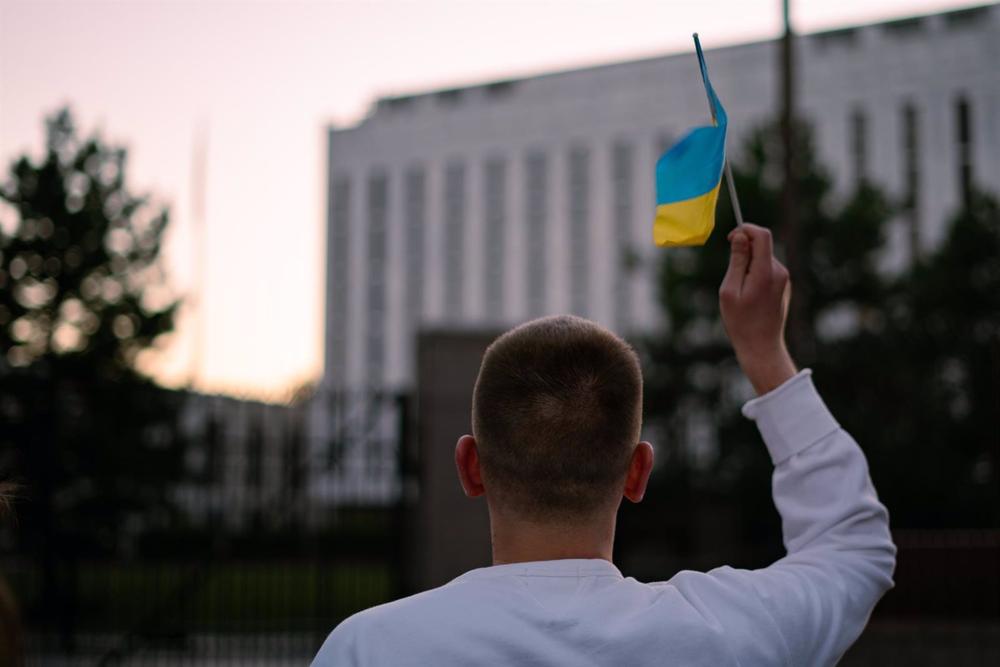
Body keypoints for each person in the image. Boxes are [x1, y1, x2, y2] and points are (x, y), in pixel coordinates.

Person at [312, 224, 896, 666]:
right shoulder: (727, 634)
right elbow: (853, 549)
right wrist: (765, 353)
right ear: (638, 471)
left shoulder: (369, 648)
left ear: (470, 466)